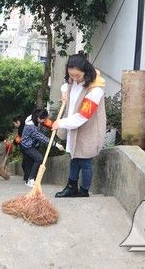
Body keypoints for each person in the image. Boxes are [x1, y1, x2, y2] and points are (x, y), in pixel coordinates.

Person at [51, 53, 106, 198]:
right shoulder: (72, 80)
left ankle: (83, 191)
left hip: (88, 129)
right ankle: (71, 187)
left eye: (78, 75)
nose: (74, 79)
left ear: (86, 71)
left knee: (85, 161)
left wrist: (60, 123)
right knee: (74, 158)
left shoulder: (95, 90)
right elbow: (66, 85)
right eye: (71, 75)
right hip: (73, 128)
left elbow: (83, 116)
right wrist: (64, 92)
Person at [21, 109, 54, 187]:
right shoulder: (31, 127)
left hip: (31, 145)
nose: (45, 120)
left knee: (30, 162)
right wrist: (55, 144)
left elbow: (47, 124)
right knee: (39, 158)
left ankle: (29, 180)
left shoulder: (33, 118)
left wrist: (53, 125)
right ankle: (31, 180)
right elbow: (41, 137)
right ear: (39, 118)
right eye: (44, 119)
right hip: (27, 146)